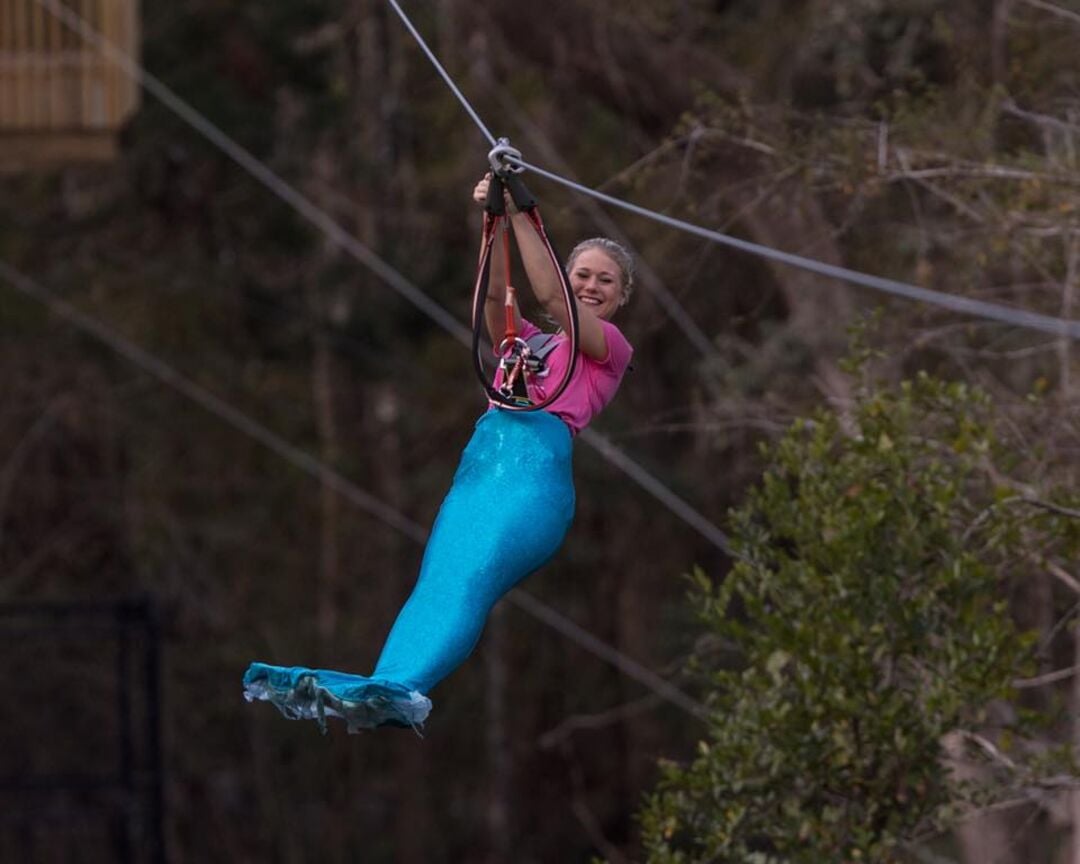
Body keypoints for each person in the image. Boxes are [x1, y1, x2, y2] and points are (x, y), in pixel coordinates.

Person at [242, 173, 635, 732]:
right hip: (480, 471)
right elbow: (497, 297)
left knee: (470, 578)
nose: (593, 285)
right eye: (584, 274)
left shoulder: (608, 350)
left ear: (620, 298)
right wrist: (495, 218)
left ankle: (403, 687)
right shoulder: (530, 340)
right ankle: (389, 682)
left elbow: (551, 295)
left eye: (607, 281)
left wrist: (525, 211)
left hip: (532, 480)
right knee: (440, 582)